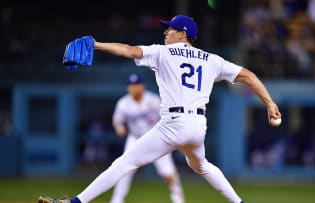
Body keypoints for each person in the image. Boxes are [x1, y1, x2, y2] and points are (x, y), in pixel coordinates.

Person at [39, 14, 281, 203]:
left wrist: (97, 44)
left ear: (182, 33)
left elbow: (130, 50)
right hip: (197, 127)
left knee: (125, 162)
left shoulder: (163, 52)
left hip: (173, 124)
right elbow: (248, 75)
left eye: (170, 28)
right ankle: (238, 201)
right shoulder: (212, 60)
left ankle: (76, 202)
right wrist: (270, 103)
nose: (166, 31)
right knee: (202, 166)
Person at [111, 73, 184, 203]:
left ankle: (177, 197)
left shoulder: (154, 100)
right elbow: (117, 120)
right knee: (124, 170)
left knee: (167, 172)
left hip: (156, 139)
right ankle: (117, 199)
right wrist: (119, 128)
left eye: (136, 85)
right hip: (135, 138)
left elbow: (167, 117)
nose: (133, 88)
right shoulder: (123, 103)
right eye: (131, 85)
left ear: (142, 86)